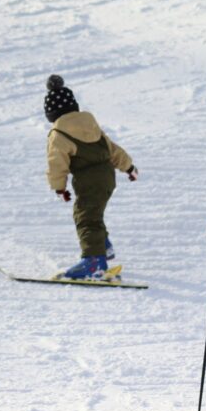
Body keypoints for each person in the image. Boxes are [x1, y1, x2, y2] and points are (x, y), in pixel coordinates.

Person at [43, 75, 137, 280]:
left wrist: (59, 187)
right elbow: (111, 148)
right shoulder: (91, 125)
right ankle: (104, 246)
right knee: (92, 213)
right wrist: (128, 166)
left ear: (51, 114)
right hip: (107, 177)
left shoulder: (58, 133)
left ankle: (94, 260)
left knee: (86, 218)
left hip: (89, 181)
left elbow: (56, 163)